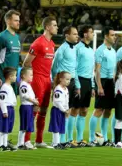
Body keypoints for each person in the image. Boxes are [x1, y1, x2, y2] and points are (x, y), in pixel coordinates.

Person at [23, 17, 57, 148]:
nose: (56, 27)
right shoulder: (38, 43)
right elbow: (26, 62)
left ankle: (39, 140)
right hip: (37, 80)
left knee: (43, 110)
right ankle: (26, 140)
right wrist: (32, 78)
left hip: (47, 80)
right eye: (54, 25)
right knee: (34, 109)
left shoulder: (52, 44)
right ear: (47, 27)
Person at [0, 10, 21, 148]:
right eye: (16, 20)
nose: (18, 22)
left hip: (13, 80)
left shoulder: (17, 37)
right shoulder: (1, 38)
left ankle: (4, 139)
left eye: (18, 20)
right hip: (3, 79)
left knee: (9, 107)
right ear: (8, 21)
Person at [51, 25, 78, 146]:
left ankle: (66, 139)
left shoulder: (75, 48)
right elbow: (54, 65)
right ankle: (61, 140)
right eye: (74, 34)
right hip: (63, 82)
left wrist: (77, 84)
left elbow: (75, 67)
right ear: (67, 35)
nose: (77, 36)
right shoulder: (62, 49)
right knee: (62, 110)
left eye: (77, 34)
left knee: (70, 109)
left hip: (71, 82)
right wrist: (55, 80)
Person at [89, 27, 116, 146]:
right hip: (103, 82)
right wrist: (99, 86)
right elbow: (97, 70)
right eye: (112, 35)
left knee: (108, 111)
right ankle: (91, 138)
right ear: (106, 36)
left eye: (115, 35)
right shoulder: (100, 50)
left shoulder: (113, 51)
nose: (114, 37)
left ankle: (104, 138)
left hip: (111, 82)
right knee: (99, 110)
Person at [72, 25, 95, 147]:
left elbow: (91, 70)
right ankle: (70, 138)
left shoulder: (91, 50)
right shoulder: (77, 48)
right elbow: (74, 68)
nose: (93, 34)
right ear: (85, 34)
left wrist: (92, 86)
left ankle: (80, 139)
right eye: (91, 32)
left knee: (84, 110)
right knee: (75, 110)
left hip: (87, 82)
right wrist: (77, 84)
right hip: (79, 80)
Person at [17, 67, 39, 150]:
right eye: (30, 75)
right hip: (26, 106)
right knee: (24, 126)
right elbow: (24, 95)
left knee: (26, 125)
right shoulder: (23, 85)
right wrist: (34, 101)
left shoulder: (27, 85)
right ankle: (21, 143)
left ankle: (22, 143)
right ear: (23, 75)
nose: (32, 77)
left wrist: (33, 101)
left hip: (29, 106)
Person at [49, 71, 71, 150]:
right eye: (67, 79)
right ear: (61, 79)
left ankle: (57, 142)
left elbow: (66, 101)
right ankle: (55, 143)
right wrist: (65, 110)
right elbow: (58, 102)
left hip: (62, 111)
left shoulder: (65, 89)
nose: (68, 81)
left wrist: (67, 109)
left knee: (60, 126)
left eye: (69, 80)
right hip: (57, 110)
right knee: (56, 127)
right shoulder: (58, 89)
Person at [0, 67, 18, 151]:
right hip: (6, 109)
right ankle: (1, 145)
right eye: (15, 75)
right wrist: (4, 111)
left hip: (11, 109)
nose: (16, 77)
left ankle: (5, 144)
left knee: (7, 128)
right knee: (3, 127)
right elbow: (2, 100)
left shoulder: (9, 86)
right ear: (10, 76)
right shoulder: (5, 87)